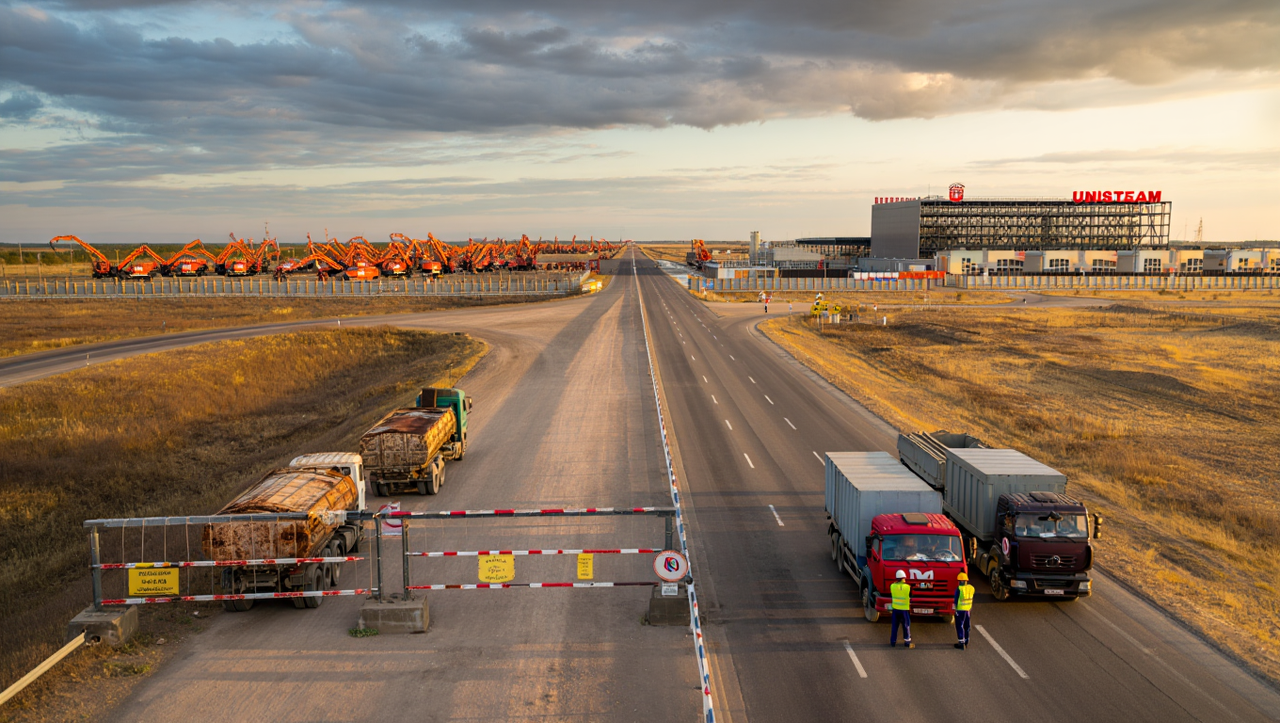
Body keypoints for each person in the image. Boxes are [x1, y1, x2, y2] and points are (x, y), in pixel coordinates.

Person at [889, 570, 914, 648]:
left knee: (894, 626)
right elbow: (911, 596)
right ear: (903, 578)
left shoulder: (892, 586)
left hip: (895, 610)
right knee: (906, 626)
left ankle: (893, 642)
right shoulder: (908, 587)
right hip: (904, 610)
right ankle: (907, 642)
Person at [954, 571, 975, 649]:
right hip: (968, 610)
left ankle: (961, 642)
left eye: (959, 581)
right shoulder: (971, 588)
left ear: (961, 581)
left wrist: (955, 609)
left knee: (959, 625)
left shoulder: (959, 589)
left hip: (960, 611)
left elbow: (956, 600)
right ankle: (966, 641)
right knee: (967, 626)